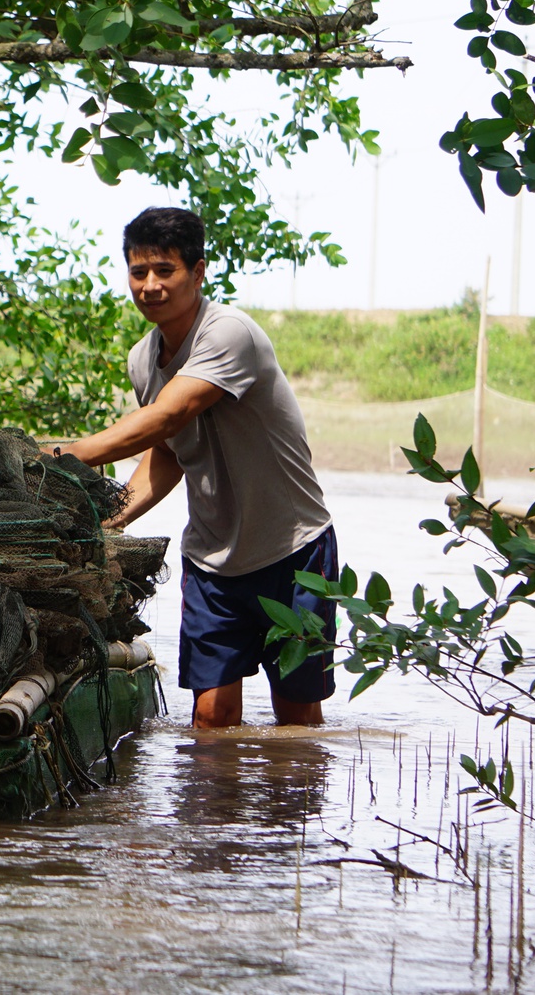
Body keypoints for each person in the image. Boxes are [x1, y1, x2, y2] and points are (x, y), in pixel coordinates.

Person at [61, 207, 337, 729]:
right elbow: (166, 451)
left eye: (165, 271)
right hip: (212, 562)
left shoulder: (229, 333)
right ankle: (215, 814)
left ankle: (292, 810)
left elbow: (171, 413)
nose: (150, 285)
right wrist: (111, 519)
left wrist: (59, 456)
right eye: (138, 272)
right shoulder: (143, 359)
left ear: (198, 272)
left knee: (297, 719)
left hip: (292, 549)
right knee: (211, 719)